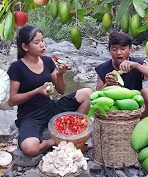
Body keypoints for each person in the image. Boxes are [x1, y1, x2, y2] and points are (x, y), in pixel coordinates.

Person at [7, 25, 93, 156]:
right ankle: (53, 142)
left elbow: (61, 90)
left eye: (42, 40)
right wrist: (37, 91)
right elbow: (12, 101)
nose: (42, 45)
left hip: (51, 108)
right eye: (37, 42)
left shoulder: (47, 61)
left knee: (88, 93)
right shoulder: (16, 67)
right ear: (25, 47)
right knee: (30, 148)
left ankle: (72, 132)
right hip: (30, 116)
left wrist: (60, 74)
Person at [95, 32, 148, 117]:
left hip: (134, 104)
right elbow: (96, 99)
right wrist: (107, 84)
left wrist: (137, 66)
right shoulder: (103, 68)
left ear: (130, 49)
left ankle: (146, 121)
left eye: (123, 49)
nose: (119, 53)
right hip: (114, 107)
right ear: (109, 50)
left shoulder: (138, 63)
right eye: (114, 49)